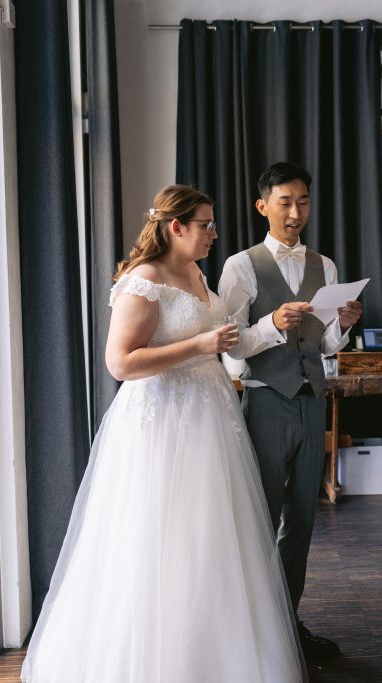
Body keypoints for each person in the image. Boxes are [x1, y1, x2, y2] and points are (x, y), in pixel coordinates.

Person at [22, 186, 305, 682]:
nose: (214, 234)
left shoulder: (195, 273)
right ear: (176, 227)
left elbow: (226, 339)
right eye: (206, 225)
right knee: (159, 537)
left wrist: (268, 328)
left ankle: (217, 658)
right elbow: (120, 362)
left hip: (211, 418)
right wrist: (200, 343)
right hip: (163, 422)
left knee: (212, 539)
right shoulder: (143, 280)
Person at [218, 162, 362, 660]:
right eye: (285, 202)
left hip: (311, 402)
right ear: (263, 206)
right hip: (263, 402)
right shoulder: (240, 266)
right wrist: (273, 322)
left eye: (303, 201)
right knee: (262, 521)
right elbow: (231, 349)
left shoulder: (326, 266)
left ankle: (288, 625)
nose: (296, 212)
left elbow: (323, 345)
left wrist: (342, 324)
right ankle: (253, 634)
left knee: (301, 524)